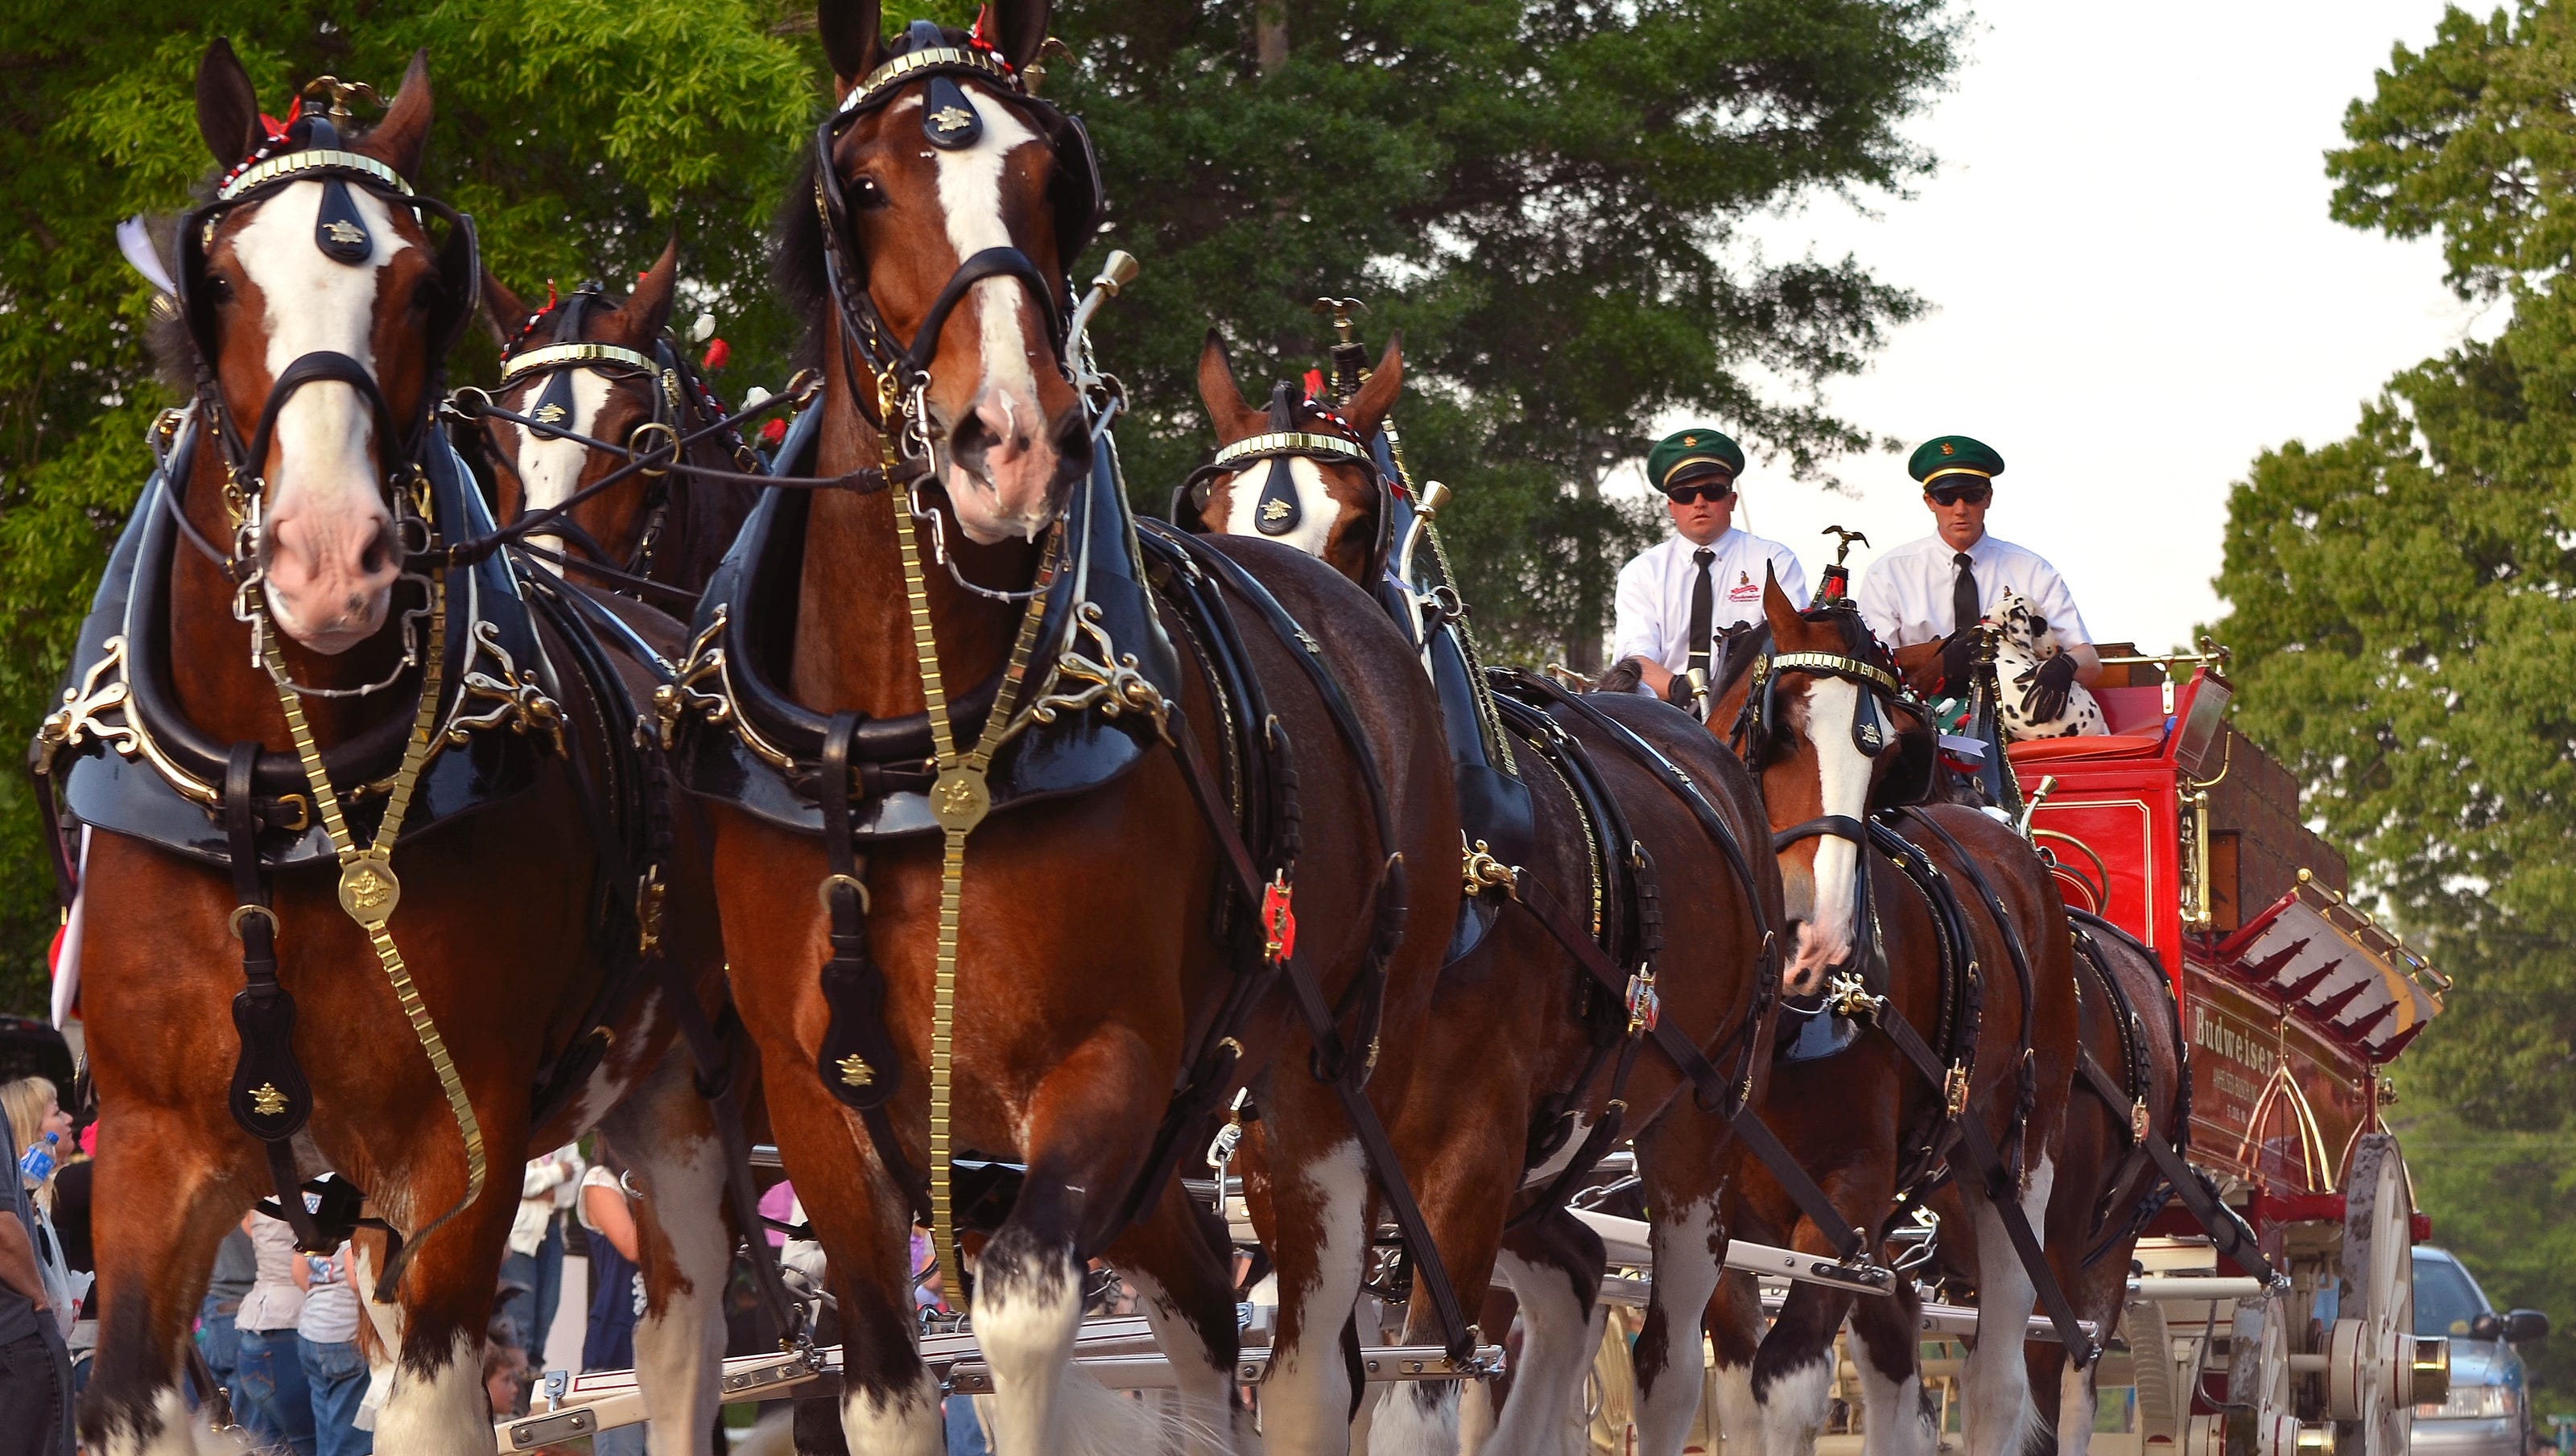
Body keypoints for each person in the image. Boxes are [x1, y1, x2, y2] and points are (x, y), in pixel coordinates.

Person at [1854, 435, 2100, 719]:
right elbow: (1874, 667)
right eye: (1946, 497)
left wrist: (2066, 665)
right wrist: (1939, 664)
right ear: (1929, 501)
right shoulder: (1889, 573)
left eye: (1971, 495)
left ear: (1988, 497)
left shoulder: (2031, 569)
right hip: (1919, 717)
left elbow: (2090, 662)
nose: (1960, 509)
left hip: (2021, 715)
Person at [1608, 427, 1809, 707]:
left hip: (1750, 713)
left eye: (1712, 491)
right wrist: (1682, 688)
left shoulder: (1773, 561)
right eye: (1685, 494)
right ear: (1671, 507)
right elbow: (1633, 660)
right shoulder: (1642, 572)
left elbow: (1794, 646)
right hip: (1665, 711)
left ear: (1731, 500)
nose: (1699, 502)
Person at [0, 1083, 71, 1454]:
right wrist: (40, 1300)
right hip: (15, 1333)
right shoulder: (71, 1184)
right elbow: (1, 1231)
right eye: (56, 1111)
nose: (69, 1118)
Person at [580, 1149, 648, 1456]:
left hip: (662, 1336)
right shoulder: (599, 1180)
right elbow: (632, 1246)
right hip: (617, 1336)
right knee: (623, 1450)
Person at [236, 1208, 316, 1456]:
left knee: (266, 1447)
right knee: (307, 1445)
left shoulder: (261, 1198)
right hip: (287, 1325)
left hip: (252, 1332)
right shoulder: (305, 1194)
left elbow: (247, 1225)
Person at [500, 1145, 583, 1375]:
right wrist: (557, 1174)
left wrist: (549, 1193)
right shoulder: (524, 1127)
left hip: (553, 1228)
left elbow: (577, 1172)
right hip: (521, 1234)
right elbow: (513, 1180)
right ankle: (515, 1379)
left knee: (547, 1309)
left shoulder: (563, 1134)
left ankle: (532, 1374)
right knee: (520, 1313)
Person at [296, 1240, 371, 1455]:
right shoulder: (348, 1208)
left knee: (327, 1439)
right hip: (343, 1330)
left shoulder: (310, 1207)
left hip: (311, 1325)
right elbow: (356, 1279)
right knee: (350, 1444)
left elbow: (297, 1270)